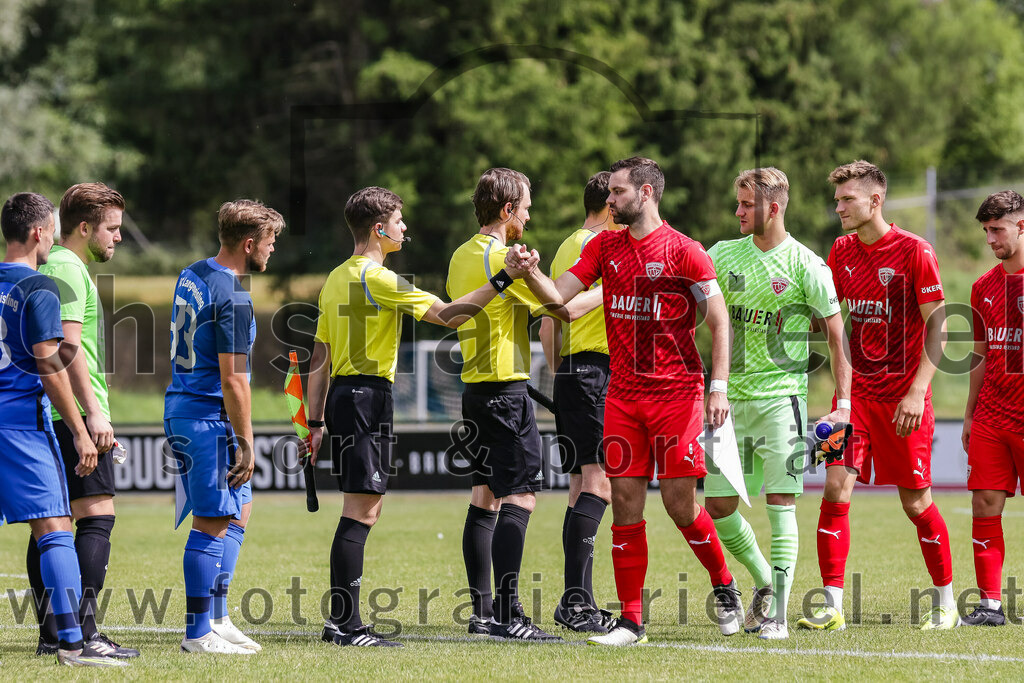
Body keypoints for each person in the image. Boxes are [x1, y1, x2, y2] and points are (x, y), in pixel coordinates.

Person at [507, 156, 741, 646]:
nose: (609, 201)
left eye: (617, 192)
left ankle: (725, 586)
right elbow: (562, 306)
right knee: (626, 506)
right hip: (623, 397)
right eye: (610, 193)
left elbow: (718, 320)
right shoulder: (604, 247)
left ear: (646, 193)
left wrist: (717, 387)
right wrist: (529, 275)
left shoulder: (687, 250)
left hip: (677, 395)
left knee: (680, 506)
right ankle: (631, 621)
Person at [303, 186, 538, 647]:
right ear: (378, 229)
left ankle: (342, 620)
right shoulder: (379, 279)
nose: (404, 227)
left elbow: (319, 358)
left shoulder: (334, 278)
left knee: (362, 510)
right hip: (367, 398)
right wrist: (504, 280)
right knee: (361, 513)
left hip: (347, 399)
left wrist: (314, 424)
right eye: (398, 220)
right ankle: (344, 624)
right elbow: (450, 316)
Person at [796, 160, 958, 631]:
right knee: (833, 487)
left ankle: (946, 603)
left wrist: (917, 393)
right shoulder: (841, 250)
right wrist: (841, 395)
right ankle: (830, 605)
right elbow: (833, 324)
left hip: (905, 402)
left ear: (875, 200)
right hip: (857, 401)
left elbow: (940, 327)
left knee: (916, 502)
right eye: (838, 199)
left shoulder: (915, 251)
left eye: (847, 199)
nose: (839, 207)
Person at [448, 167, 601, 642]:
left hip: (473, 388)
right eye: (527, 207)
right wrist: (613, 287)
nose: (530, 216)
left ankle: (483, 611)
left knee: (484, 497)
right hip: (504, 392)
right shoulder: (504, 257)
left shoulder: (461, 254)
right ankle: (509, 615)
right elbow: (560, 307)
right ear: (507, 210)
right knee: (521, 496)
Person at [704, 168, 852, 641]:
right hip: (726, 406)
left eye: (746, 205)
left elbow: (836, 338)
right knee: (720, 506)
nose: (738, 212)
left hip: (780, 403)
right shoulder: (723, 254)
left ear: (773, 207)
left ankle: (780, 616)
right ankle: (765, 581)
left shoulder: (807, 265)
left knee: (779, 503)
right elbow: (690, 311)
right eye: (738, 203)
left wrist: (843, 404)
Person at [0, 192, 124, 667]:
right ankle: (72, 643)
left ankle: (63, 638)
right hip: (20, 424)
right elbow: (53, 364)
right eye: (49, 229)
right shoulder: (40, 287)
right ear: (38, 232)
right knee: (55, 529)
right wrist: (78, 426)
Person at [165, 199, 284, 654]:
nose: (272, 250)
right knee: (213, 520)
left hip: (188, 406)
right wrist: (247, 444)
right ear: (249, 243)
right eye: (270, 242)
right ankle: (197, 633)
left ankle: (217, 618)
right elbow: (234, 379)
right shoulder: (233, 294)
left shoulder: (193, 271)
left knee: (238, 511)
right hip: (205, 415)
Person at [26, 183, 138, 659]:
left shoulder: (52, 264)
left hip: (46, 410)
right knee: (96, 517)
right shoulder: (69, 267)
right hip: (69, 410)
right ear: (85, 227)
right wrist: (92, 415)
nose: (117, 238)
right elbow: (66, 350)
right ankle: (83, 634)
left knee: (51, 524)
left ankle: (54, 633)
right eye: (111, 229)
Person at [539, 171, 616, 633]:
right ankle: (575, 602)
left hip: (570, 373)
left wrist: (559, 373)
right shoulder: (604, 249)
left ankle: (577, 601)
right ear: (610, 205)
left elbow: (548, 322)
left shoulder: (567, 245)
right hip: (596, 373)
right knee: (600, 484)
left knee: (578, 488)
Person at [960, 190, 1024, 626]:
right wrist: (968, 414)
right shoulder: (982, 286)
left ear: (1022, 226)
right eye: (985, 230)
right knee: (984, 503)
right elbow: (980, 355)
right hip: (991, 416)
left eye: (997, 229)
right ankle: (990, 605)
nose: (990, 239)